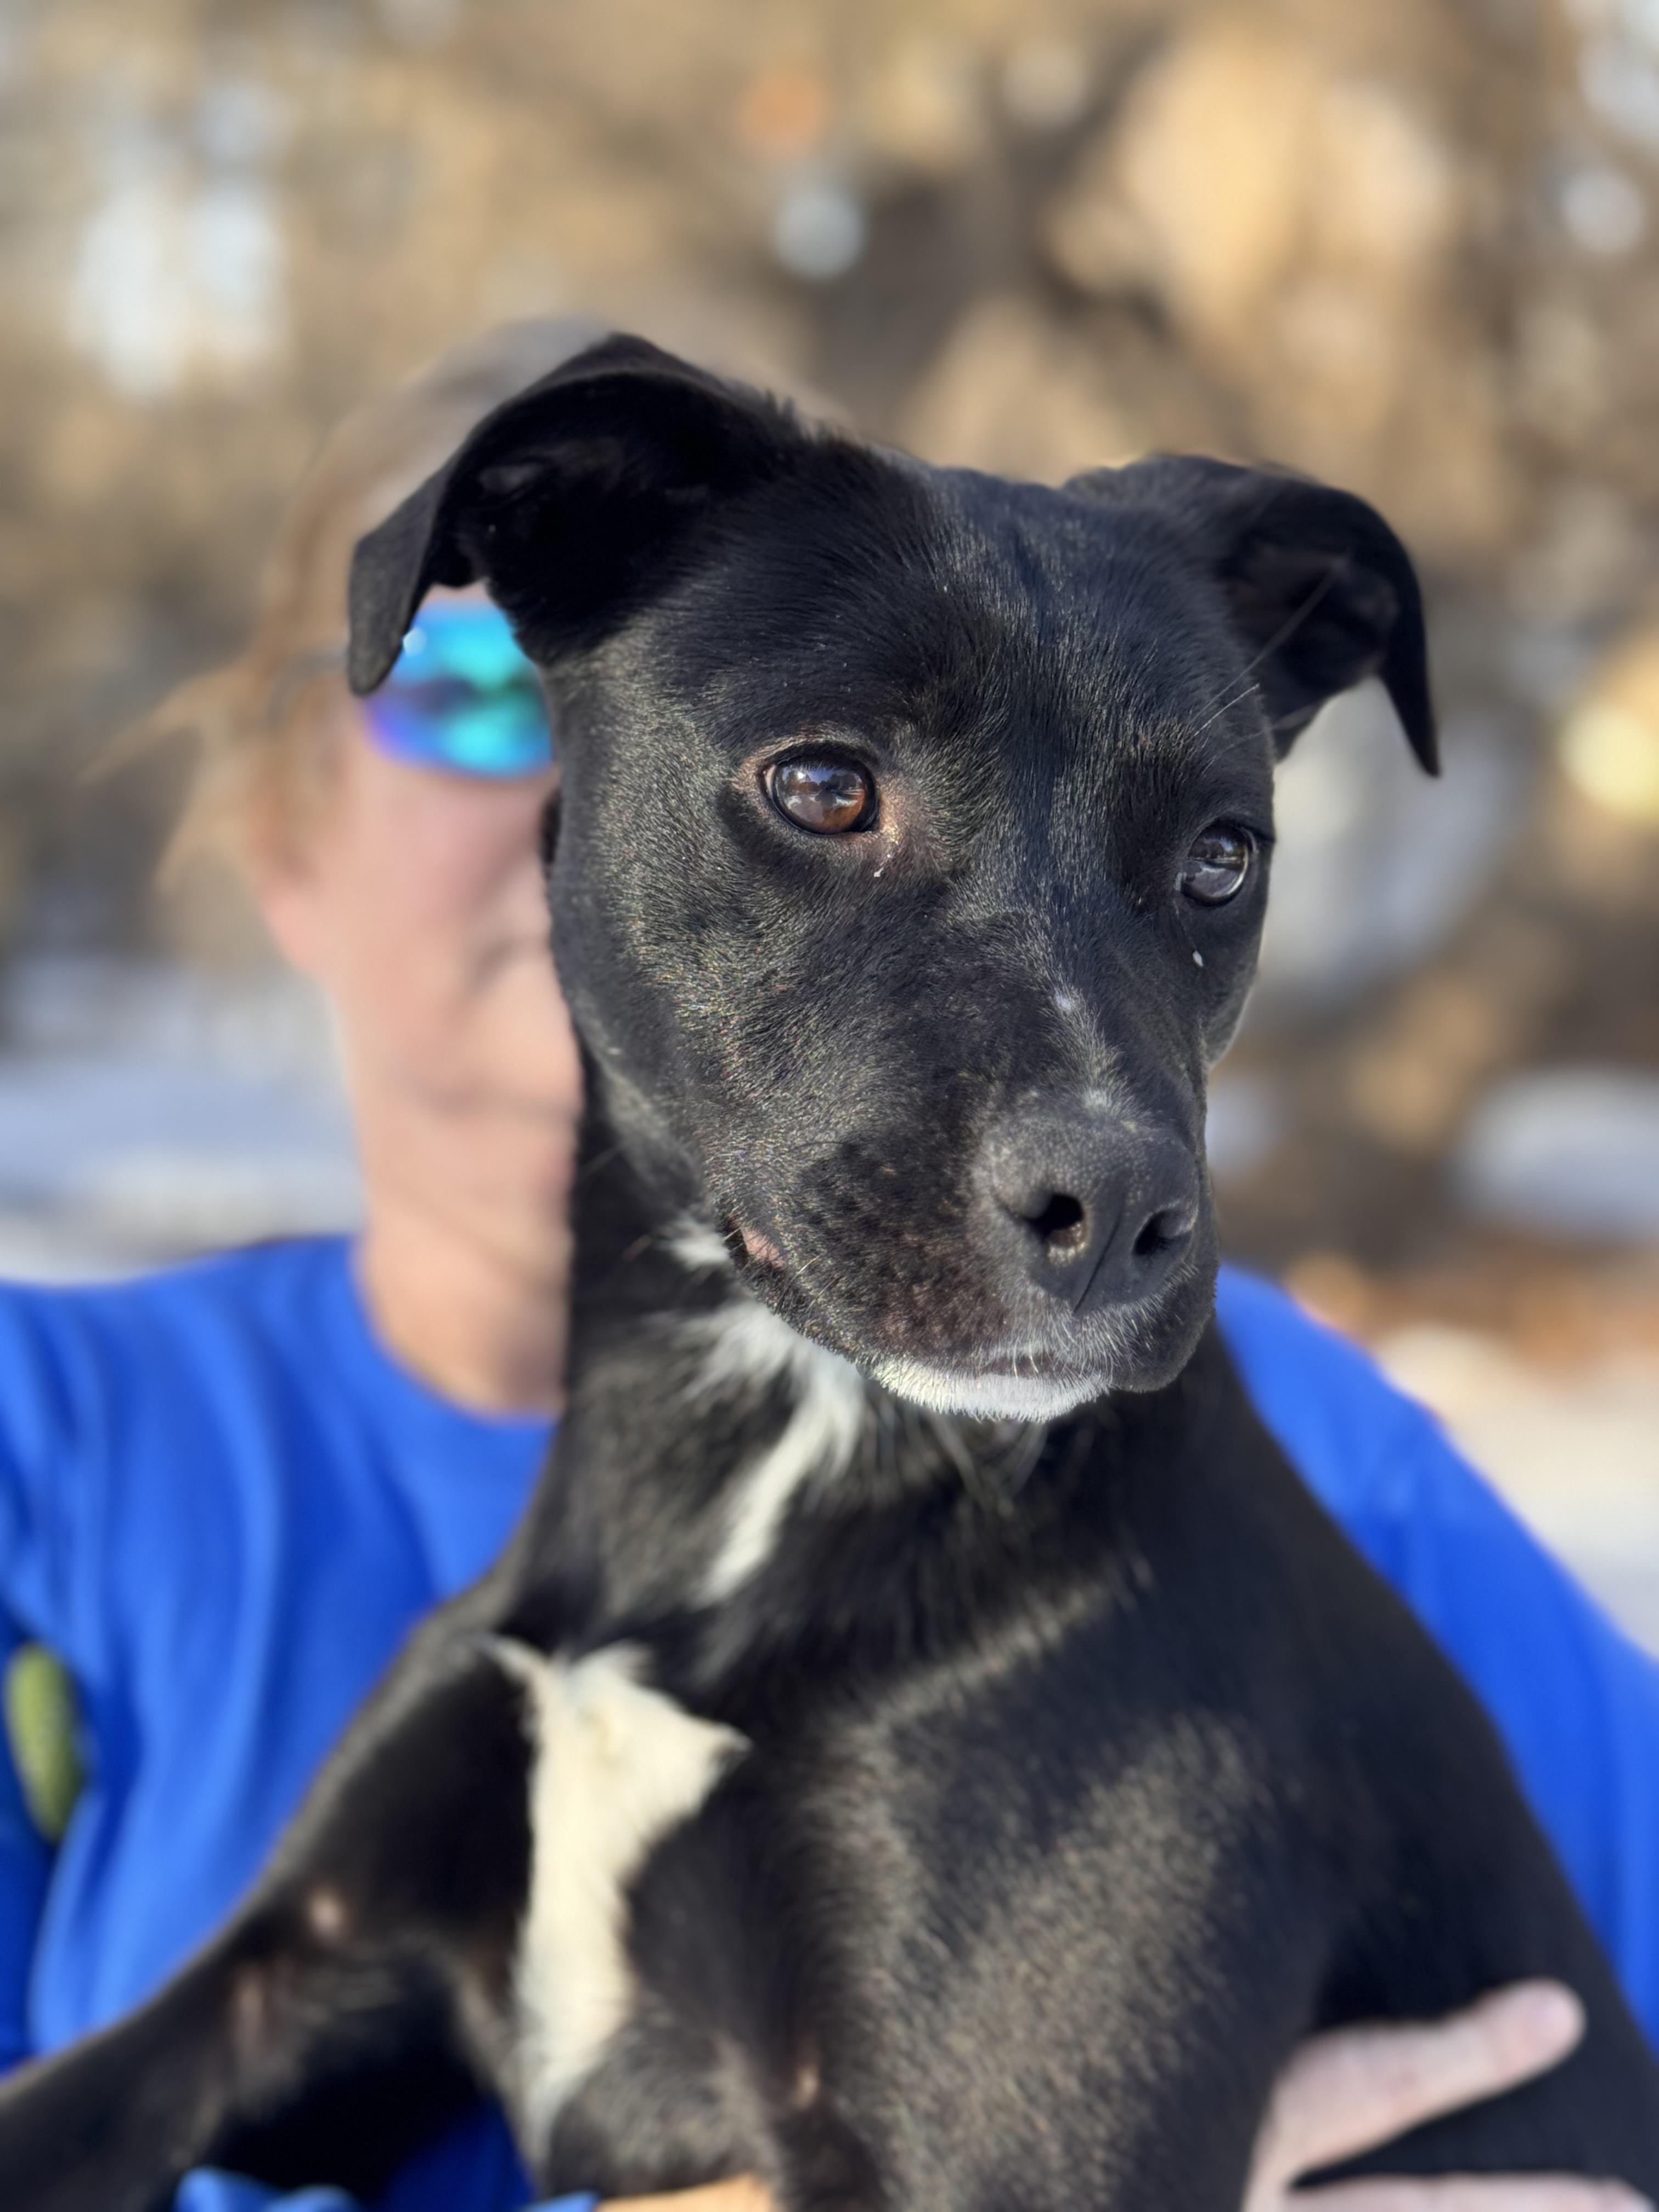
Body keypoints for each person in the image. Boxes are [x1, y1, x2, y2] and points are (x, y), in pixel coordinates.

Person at [1, 318, 1655, 2212]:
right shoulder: (50, 1454)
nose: (1098, 1127)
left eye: (1200, 869)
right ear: (279, 831)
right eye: (829, 794)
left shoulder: (1336, 1487)